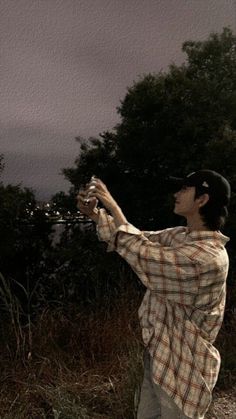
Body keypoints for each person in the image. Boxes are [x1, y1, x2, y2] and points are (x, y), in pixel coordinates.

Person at [76, 169, 231, 419]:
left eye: (184, 189)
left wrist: (110, 202)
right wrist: (96, 215)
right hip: (160, 354)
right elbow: (137, 238)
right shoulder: (182, 236)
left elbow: (144, 255)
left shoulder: (208, 257)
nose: (176, 194)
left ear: (202, 200)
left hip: (185, 367)